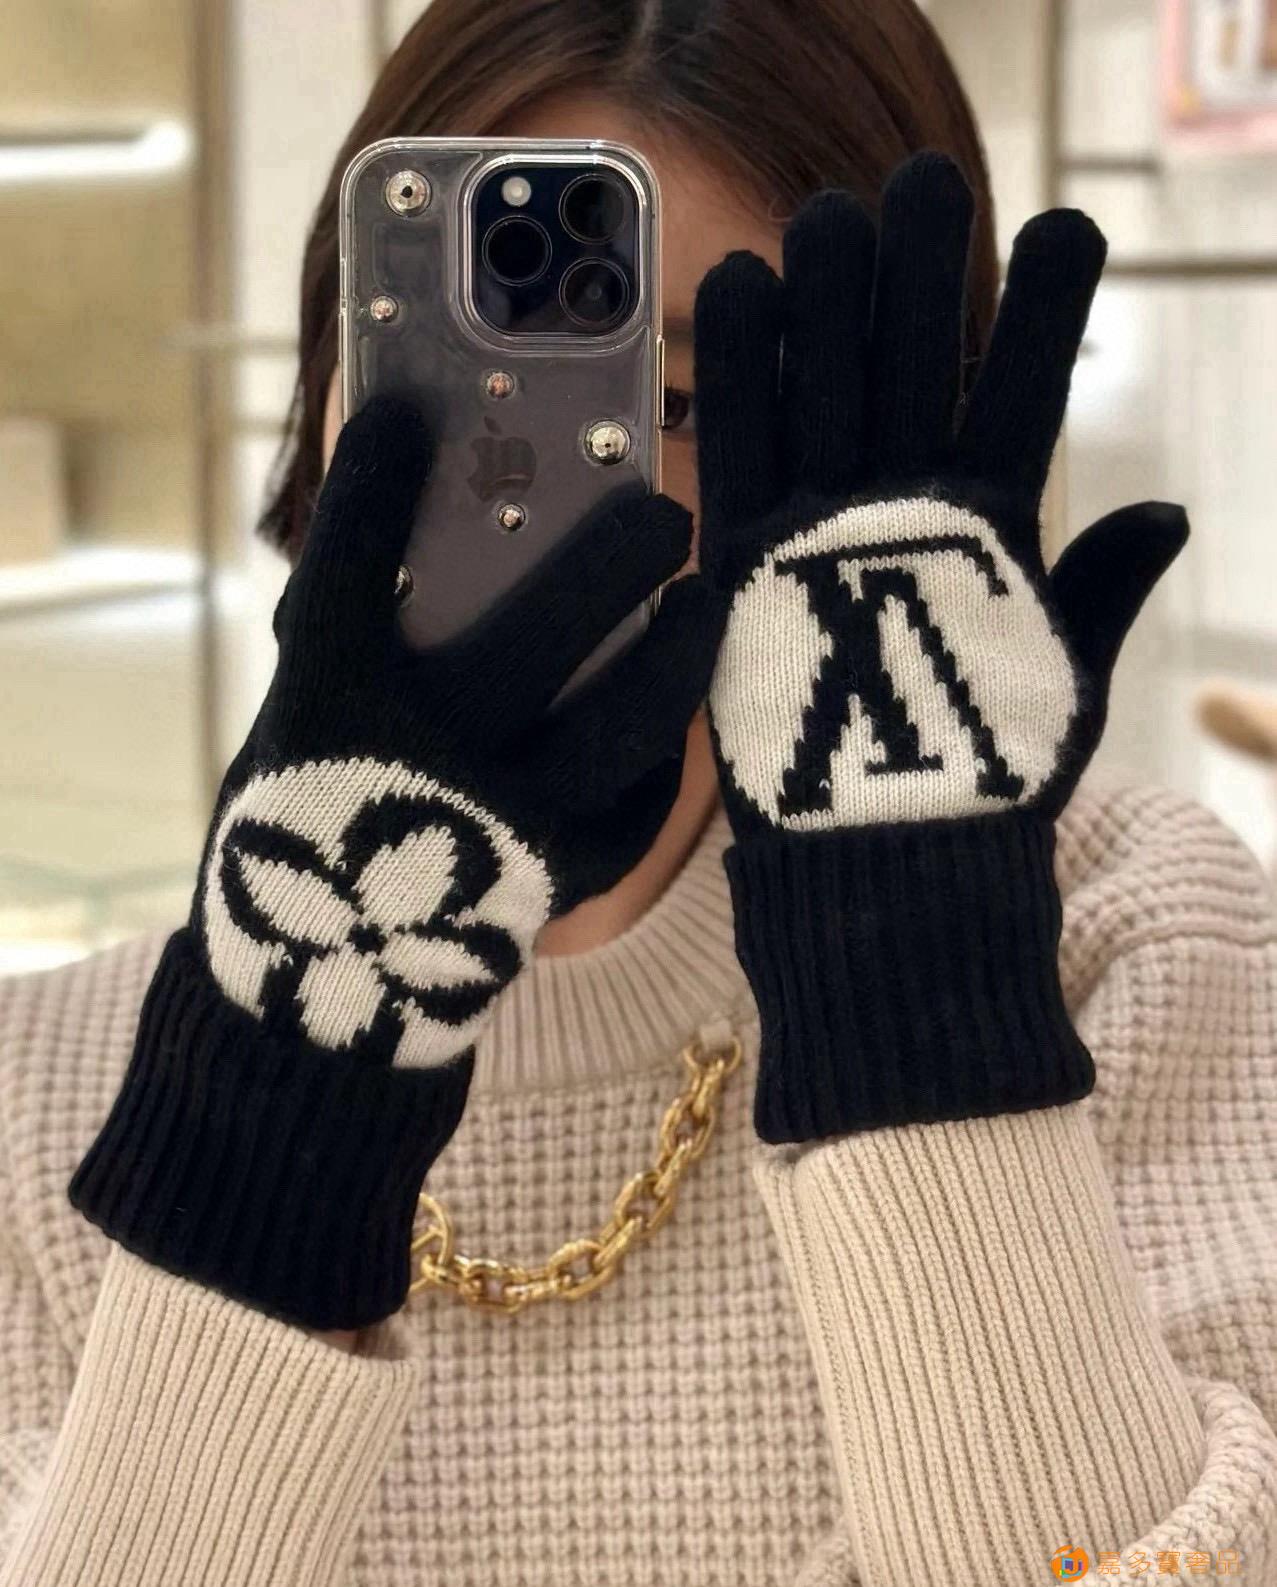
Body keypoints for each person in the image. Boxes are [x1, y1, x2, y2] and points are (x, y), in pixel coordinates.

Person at [1, 3, 1274, 1584]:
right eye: (463, 377)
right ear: (332, 377)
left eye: (684, 403)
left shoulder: (1130, 947)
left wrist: (921, 1022)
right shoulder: (40, 1091)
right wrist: (269, 1131)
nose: (545, 487)